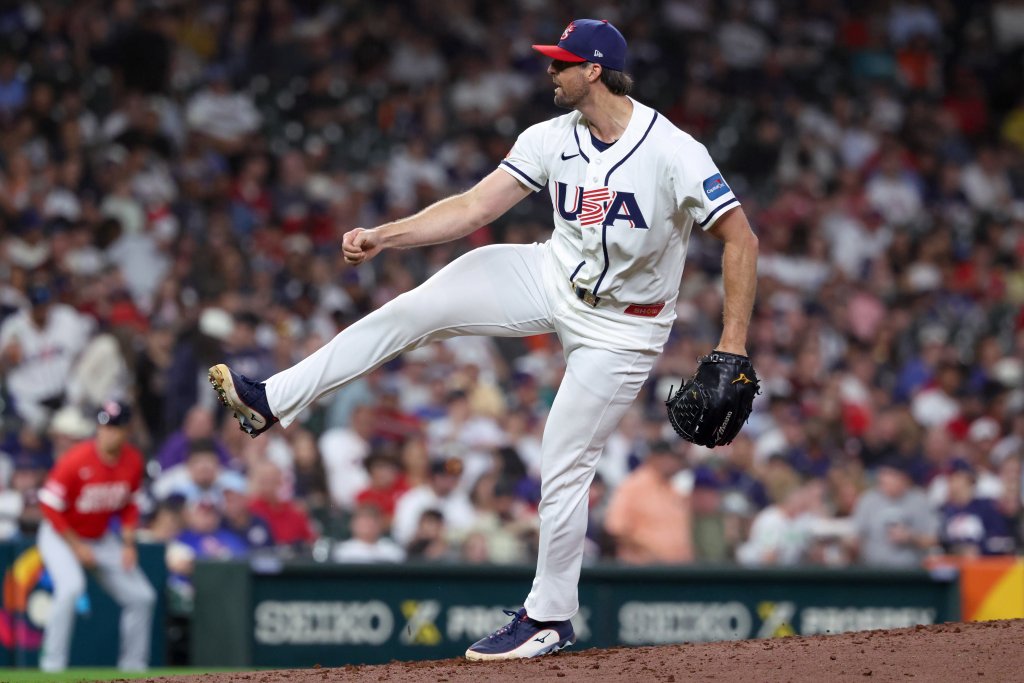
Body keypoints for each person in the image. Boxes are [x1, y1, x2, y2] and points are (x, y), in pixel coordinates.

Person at [208, 18, 757, 661]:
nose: (548, 71)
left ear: (594, 71)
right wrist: (385, 234)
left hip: (624, 325)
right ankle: (271, 398)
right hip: (552, 274)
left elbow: (739, 238)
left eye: (560, 63)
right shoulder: (551, 138)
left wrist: (734, 344)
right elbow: (472, 208)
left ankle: (548, 618)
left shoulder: (673, 151)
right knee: (415, 309)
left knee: (563, 464)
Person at [36, 401, 156, 672]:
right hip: (62, 535)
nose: (107, 433)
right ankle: (51, 667)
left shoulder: (133, 460)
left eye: (114, 428)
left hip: (100, 538)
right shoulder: (76, 459)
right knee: (70, 589)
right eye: (104, 427)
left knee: (142, 597)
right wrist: (76, 547)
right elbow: (49, 506)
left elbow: (130, 504)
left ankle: (133, 668)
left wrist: (128, 543)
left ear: (127, 430)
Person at [604, 440, 694, 564]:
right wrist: (646, 552)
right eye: (670, 458)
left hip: (676, 571)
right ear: (654, 458)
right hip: (642, 573)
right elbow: (616, 528)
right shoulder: (632, 486)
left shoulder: (673, 490)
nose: (675, 463)